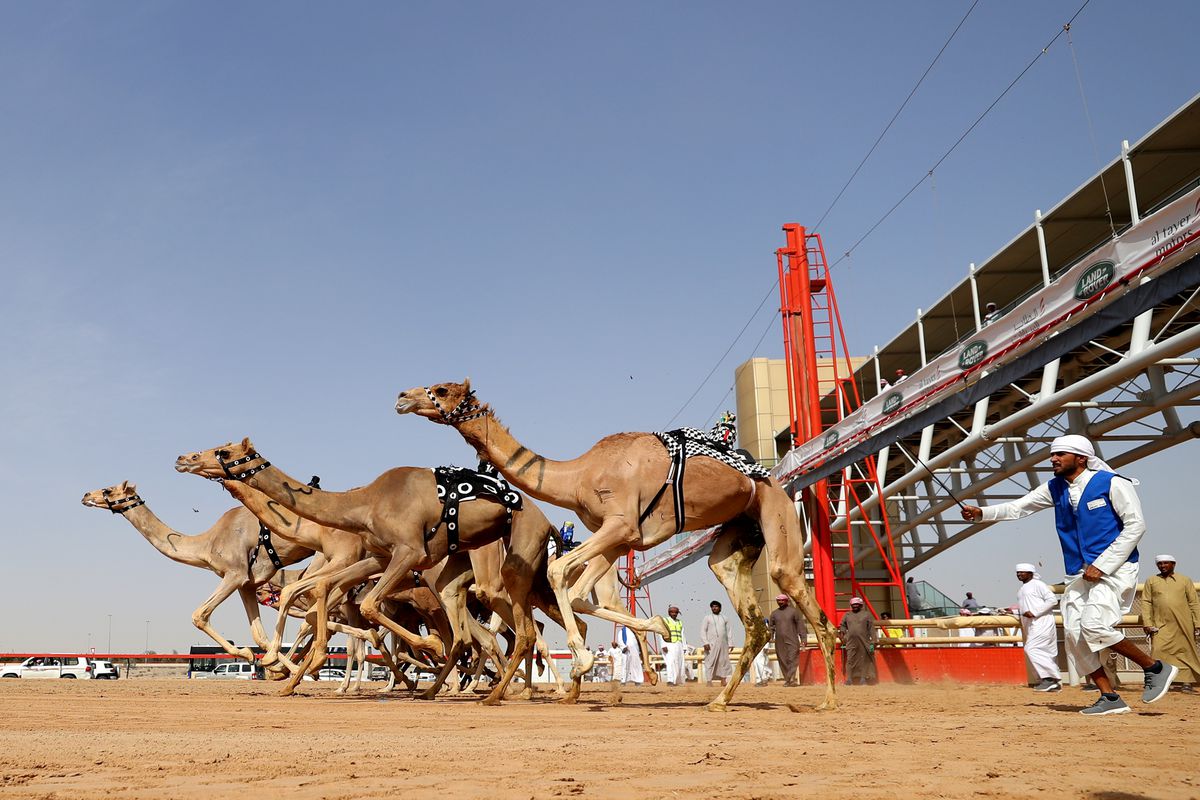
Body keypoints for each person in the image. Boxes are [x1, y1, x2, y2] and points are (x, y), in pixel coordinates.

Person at [960, 434, 1176, 715]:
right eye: (1053, 454)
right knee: (1074, 635)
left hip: (1114, 569)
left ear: (1081, 458)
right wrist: (981, 513)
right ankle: (1110, 698)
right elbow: (1019, 507)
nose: (1053, 459)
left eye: (1060, 454)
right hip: (1078, 572)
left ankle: (1155, 668)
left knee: (1094, 625)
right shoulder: (1055, 488)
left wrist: (1104, 564)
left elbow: (1136, 526)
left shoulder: (1112, 482)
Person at [1141, 555, 1200, 692]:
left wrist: (1197, 623)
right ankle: (1161, 682)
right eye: (1160, 564)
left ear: (1173, 564)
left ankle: (1186, 682)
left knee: (1185, 652)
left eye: (1166, 563)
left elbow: (1194, 603)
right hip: (1160, 624)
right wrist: (1148, 623)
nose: (1162, 566)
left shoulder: (1185, 580)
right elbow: (1146, 602)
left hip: (1183, 623)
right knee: (1159, 651)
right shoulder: (1152, 581)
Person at [1016, 563, 1061, 691]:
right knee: (1043, 651)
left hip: (1042, 622)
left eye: (1022, 572)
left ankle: (1050, 678)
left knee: (1031, 648)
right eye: (1018, 573)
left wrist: (1035, 612)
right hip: (1031, 625)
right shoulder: (1021, 590)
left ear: (1030, 573)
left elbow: (1052, 600)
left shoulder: (1038, 584)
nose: (1019, 574)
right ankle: (1050, 683)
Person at [769, 594, 807, 686]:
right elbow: (771, 628)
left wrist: (803, 638)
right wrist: (770, 637)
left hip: (792, 639)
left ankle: (790, 678)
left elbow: (800, 626)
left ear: (787, 601)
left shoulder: (794, 612)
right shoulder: (774, 614)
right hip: (779, 641)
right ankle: (789, 679)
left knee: (792, 658)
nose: (780, 602)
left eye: (782, 600)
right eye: (778, 601)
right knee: (782, 659)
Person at [838, 597, 876, 685]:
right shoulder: (847, 615)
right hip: (850, 641)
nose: (855, 606)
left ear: (861, 605)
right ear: (851, 605)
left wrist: (874, 641)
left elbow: (871, 629)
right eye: (853, 605)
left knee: (863, 660)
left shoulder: (867, 615)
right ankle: (849, 679)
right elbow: (842, 625)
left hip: (864, 641)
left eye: (857, 605)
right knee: (850, 659)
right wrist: (842, 632)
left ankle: (863, 679)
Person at [700, 600, 733, 686]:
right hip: (711, 644)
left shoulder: (725, 618)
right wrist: (705, 642)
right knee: (710, 661)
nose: (714, 608)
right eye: (713, 606)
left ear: (720, 608)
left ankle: (723, 680)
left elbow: (729, 631)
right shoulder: (707, 618)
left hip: (723, 644)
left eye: (716, 606)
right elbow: (703, 630)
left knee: (723, 662)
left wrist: (731, 643)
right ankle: (709, 681)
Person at [661, 605, 687, 686]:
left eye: (676, 612)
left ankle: (677, 681)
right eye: (672, 612)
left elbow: (682, 635)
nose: (674, 614)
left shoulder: (679, 622)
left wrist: (684, 646)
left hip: (679, 644)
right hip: (669, 644)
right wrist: (663, 645)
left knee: (679, 663)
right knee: (670, 662)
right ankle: (670, 680)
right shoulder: (665, 621)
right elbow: (661, 633)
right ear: (669, 613)